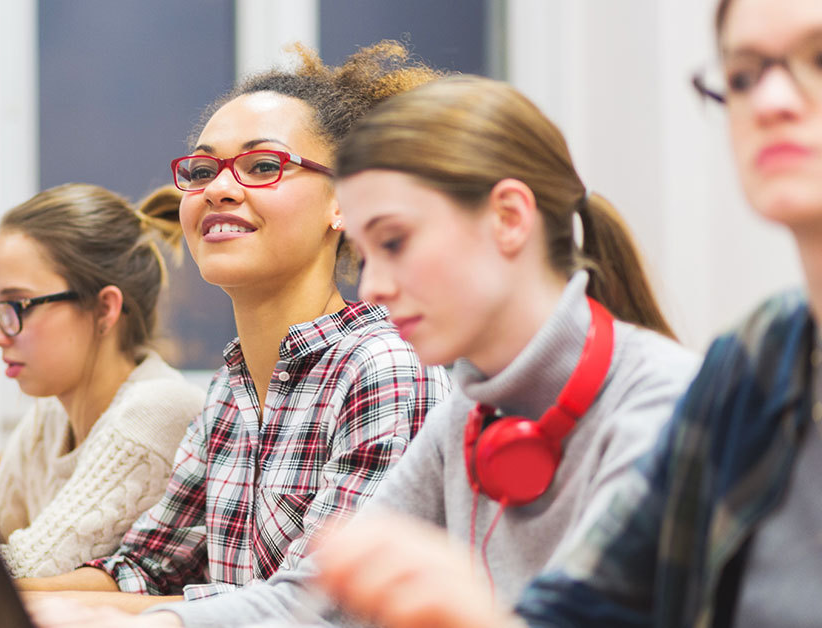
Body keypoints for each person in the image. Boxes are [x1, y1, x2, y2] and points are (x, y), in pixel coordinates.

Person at [317, 0, 822, 627]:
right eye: (743, 74)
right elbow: (587, 607)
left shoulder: (666, 392)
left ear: (510, 218)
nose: (769, 101)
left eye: (819, 58)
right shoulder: (757, 355)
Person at [5, 41, 452, 620]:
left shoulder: (385, 367)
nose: (217, 188)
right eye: (201, 168)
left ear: (345, 202)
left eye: (263, 166)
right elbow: (143, 569)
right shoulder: (230, 390)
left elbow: (320, 607)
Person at [0, 183, 206, 622]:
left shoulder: (157, 408)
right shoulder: (50, 414)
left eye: (16, 306)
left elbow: (21, 568)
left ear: (105, 308)